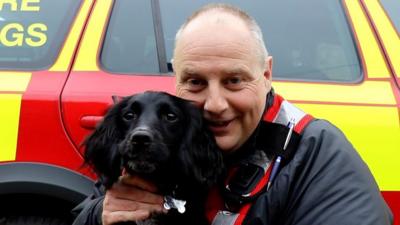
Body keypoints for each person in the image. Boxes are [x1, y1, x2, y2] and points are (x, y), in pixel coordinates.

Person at [72, 3, 393, 225]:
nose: (214, 104)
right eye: (196, 82)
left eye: (234, 81)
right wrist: (101, 213)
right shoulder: (163, 143)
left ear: (266, 74)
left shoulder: (317, 154)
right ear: (177, 83)